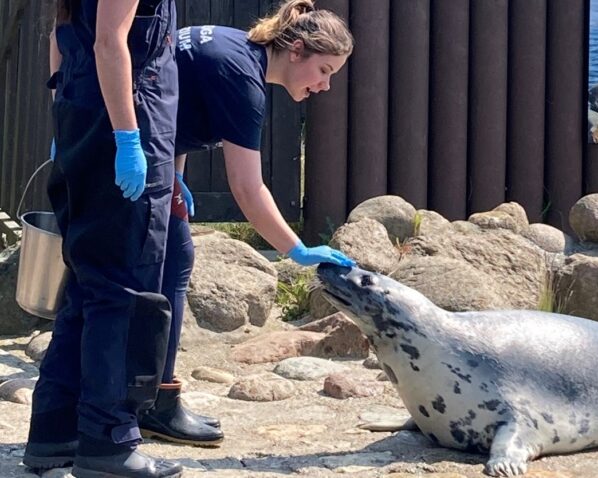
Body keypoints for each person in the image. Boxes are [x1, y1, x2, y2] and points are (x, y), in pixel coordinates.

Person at [134, 0, 356, 446]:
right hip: (129, 150)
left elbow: (175, 106)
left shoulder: (234, 48)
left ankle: (134, 396)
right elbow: (247, 189)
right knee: (173, 263)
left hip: (135, 141)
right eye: (325, 70)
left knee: (156, 266)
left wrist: (175, 175)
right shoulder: (243, 80)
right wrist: (297, 249)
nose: (326, 85)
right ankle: (153, 402)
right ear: (296, 51)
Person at [24, 0, 185, 477]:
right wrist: (128, 139)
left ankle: (55, 432)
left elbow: (62, 34)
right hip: (124, 118)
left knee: (87, 282)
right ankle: (109, 442)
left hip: (83, 117)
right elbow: (109, 42)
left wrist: (65, 117)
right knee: (122, 289)